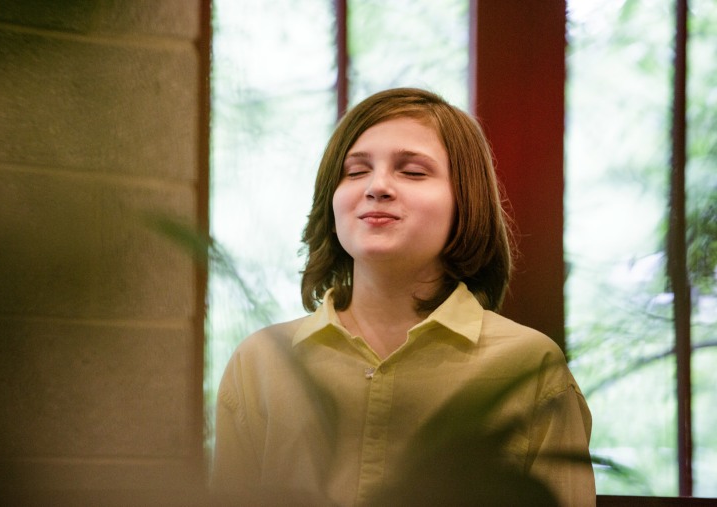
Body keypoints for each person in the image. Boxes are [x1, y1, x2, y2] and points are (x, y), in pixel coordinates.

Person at [210, 88, 595, 506]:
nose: (377, 187)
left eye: (412, 172)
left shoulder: (530, 367)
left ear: (465, 201)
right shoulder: (261, 363)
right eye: (355, 172)